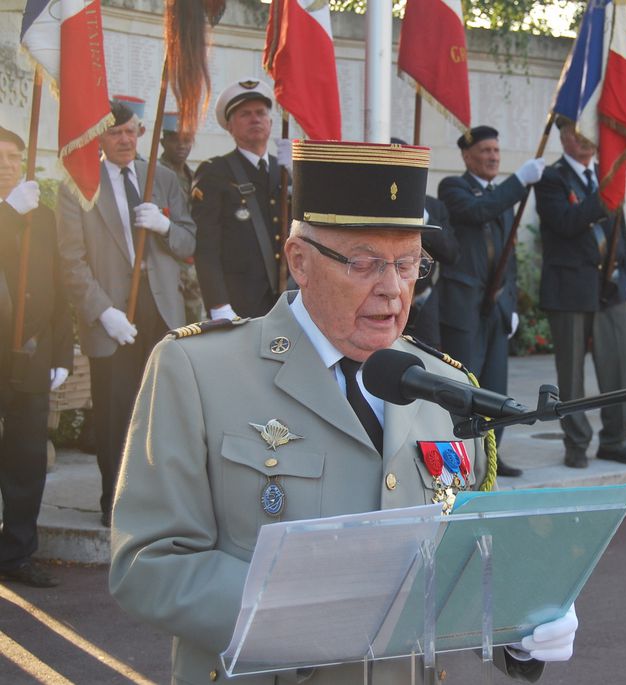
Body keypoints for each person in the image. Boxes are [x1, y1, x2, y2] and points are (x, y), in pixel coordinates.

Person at [109, 140, 577, 684]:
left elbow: (470, 557)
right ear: (300, 261)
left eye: (407, 264)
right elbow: (149, 563)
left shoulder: (448, 387)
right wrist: (308, 619)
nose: (392, 289)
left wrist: (521, 618)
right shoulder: (198, 370)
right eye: (363, 262)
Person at [57, 100, 196, 527]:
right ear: (100, 136)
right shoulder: (78, 184)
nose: (125, 140)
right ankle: (114, 503)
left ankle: (158, 501)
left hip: (161, 311)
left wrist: (165, 227)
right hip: (114, 318)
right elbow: (71, 261)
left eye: (132, 131)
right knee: (116, 412)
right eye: (115, 132)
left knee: (163, 410)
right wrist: (103, 312)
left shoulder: (165, 178)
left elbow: (190, 243)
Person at [533, 119, 626, 469]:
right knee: (572, 376)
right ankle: (576, 443)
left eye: (589, 131)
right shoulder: (551, 178)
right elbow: (565, 222)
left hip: (611, 289)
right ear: (565, 137)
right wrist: (604, 197)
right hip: (570, 289)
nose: (585, 139)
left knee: (618, 369)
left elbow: (619, 233)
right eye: (577, 132)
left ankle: (615, 440)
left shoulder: (606, 174)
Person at [437, 126, 545, 477]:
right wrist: (519, 183)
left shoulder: (500, 194)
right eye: (485, 151)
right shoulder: (454, 188)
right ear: (467, 156)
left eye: (496, 151)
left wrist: (511, 304)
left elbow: (507, 255)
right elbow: (477, 212)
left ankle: (491, 459)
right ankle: (461, 461)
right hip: (465, 304)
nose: (493, 157)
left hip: (496, 307)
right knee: (465, 386)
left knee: (496, 388)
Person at [0, 126, 73, 587]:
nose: (7, 165)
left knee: (27, 457)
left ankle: (17, 552)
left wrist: (62, 351)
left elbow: (59, 283)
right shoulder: (15, 212)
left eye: (14, 157)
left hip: (31, 353)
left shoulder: (42, 216)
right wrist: (6, 215)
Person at [192, 78, 292, 320]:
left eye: (261, 113)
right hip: (240, 302)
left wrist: (300, 178)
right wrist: (218, 304)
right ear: (230, 126)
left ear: (270, 122)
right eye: (245, 114)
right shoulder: (215, 172)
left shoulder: (284, 171)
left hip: (286, 301)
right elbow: (206, 247)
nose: (255, 119)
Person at [391, 138, 460, 348]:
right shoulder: (368, 201)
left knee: (428, 363)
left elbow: (451, 253)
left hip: (422, 301)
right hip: (384, 296)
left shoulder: (432, 206)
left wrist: (425, 219)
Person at [158, 111, 204, 323]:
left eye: (187, 140)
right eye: (175, 139)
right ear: (163, 142)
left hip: (193, 267)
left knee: (194, 327)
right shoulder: (155, 176)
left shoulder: (194, 177)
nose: (182, 145)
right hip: (167, 263)